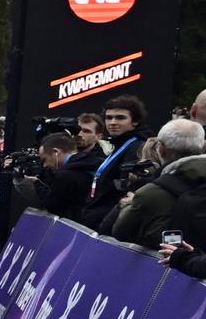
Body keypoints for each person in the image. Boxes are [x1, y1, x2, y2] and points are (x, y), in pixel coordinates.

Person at [109, 119, 206, 249]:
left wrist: (127, 205)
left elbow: (119, 234)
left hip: (168, 264)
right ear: (203, 146)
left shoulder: (150, 193)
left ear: (161, 149)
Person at [83, 96, 150, 228]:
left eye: (120, 117)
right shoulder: (120, 144)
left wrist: (105, 224)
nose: (112, 122)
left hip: (110, 224)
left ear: (135, 121)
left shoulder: (138, 147)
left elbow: (129, 192)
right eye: (109, 118)